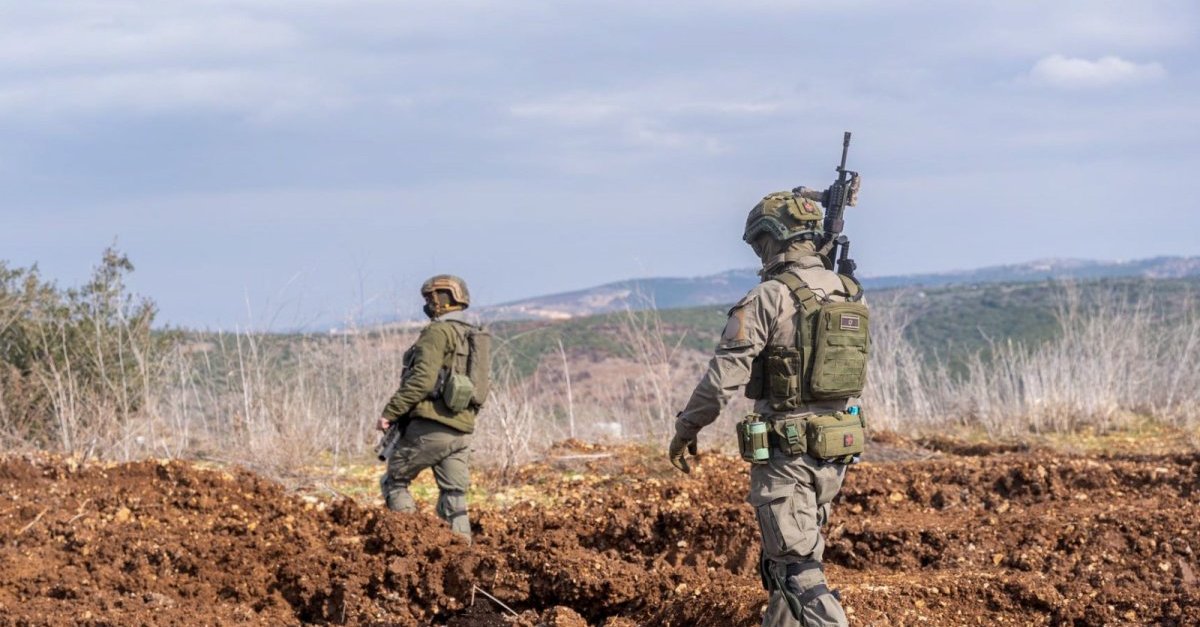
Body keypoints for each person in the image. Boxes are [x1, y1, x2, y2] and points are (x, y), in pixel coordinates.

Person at [670, 190, 870, 627]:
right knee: (784, 564)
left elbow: (723, 379)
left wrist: (686, 428)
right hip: (834, 450)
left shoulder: (770, 296)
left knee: (797, 568)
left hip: (787, 455)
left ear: (771, 238)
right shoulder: (849, 291)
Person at [377, 274, 489, 541]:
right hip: (461, 432)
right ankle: (463, 554)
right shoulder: (471, 335)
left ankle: (408, 545)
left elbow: (422, 381)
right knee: (454, 497)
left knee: (395, 481)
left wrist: (390, 412)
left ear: (442, 299)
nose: (427, 304)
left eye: (429, 298)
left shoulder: (437, 332)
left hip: (430, 426)